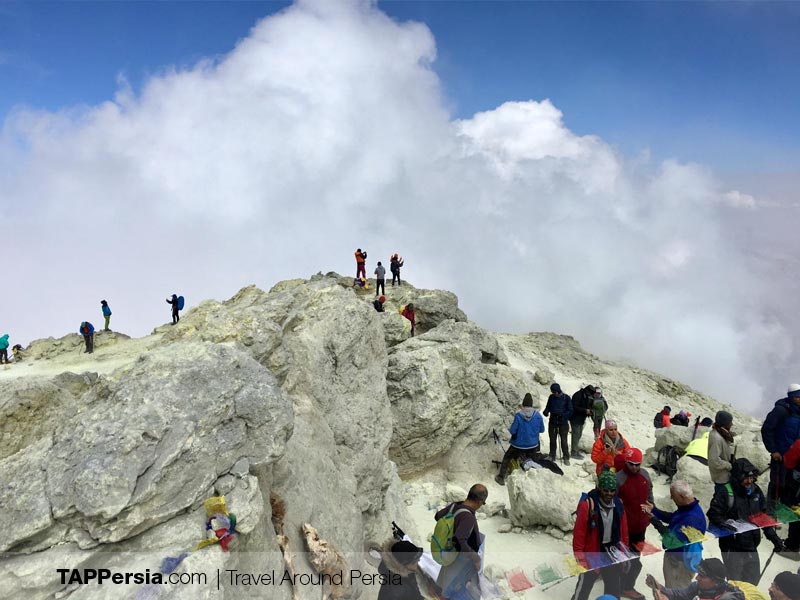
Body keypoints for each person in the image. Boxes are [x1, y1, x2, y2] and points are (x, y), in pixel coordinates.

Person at [706, 458, 783, 584]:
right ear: (737, 477)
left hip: (751, 545)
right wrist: (725, 525)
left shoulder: (755, 491)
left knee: (752, 582)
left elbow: (762, 517)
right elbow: (713, 513)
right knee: (736, 584)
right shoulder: (726, 492)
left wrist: (774, 538)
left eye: (751, 478)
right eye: (746, 478)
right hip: (732, 547)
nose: (749, 481)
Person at [571, 471, 629, 600]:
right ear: (599, 488)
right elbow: (579, 535)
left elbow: (623, 531)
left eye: (612, 490)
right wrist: (580, 558)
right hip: (592, 553)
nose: (609, 493)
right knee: (584, 587)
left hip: (612, 553)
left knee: (613, 589)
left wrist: (623, 553)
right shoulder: (587, 506)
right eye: (605, 490)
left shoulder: (619, 505)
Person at [643, 480, 707, 588]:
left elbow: (671, 541)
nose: (671, 498)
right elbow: (674, 518)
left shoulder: (691, 518)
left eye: (673, 495)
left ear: (681, 496)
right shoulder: (689, 508)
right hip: (678, 559)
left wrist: (653, 520)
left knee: (676, 592)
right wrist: (654, 511)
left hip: (679, 564)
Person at [761, 383, 800, 557]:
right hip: (780, 457)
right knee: (776, 485)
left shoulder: (797, 412)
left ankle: (783, 515)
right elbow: (767, 429)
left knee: (788, 488)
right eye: (798, 396)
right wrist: (773, 450)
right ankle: (771, 517)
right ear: (792, 397)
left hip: (794, 460)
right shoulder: (781, 410)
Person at [434, 484, 487, 600]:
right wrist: (476, 558)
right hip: (461, 560)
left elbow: (437, 516)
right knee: (452, 590)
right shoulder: (467, 517)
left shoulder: (455, 506)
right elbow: (459, 540)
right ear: (479, 501)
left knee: (445, 585)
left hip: (448, 553)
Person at [616, 448, 654, 600]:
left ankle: (625, 585)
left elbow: (650, 491)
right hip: (624, 528)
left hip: (641, 526)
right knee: (626, 559)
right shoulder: (619, 478)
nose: (634, 467)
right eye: (631, 464)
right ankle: (625, 587)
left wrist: (651, 504)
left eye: (637, 464)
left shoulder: (645, 475)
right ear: (626, 462)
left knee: (635, 558)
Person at [495, 393, 545, 485]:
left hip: (518, 445)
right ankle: (531, 477)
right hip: (533, 444)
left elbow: (512, 431)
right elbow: (542, 430)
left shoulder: (518, 416)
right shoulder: (538, 415)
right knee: (531, 458)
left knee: (507, 457)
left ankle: (501, 477)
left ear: (523, 404)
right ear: (531, 404)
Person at [645, 558, 744, 600]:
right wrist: (661, 588)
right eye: (698, 574)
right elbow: (681, 594)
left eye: (702, 576)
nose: (697, 578)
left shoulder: (727, 598)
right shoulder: (699, 587)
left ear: (716, 582)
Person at [543, 383, 572, 465]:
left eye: (555, 392)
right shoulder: (551, 397)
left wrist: (563, 415)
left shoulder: (566, 398)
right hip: (553, 421)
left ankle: (566, 457)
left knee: (564, 440)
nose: (554, 394)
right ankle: (552, 455)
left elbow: (570, 410)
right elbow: (548, 406)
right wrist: (546, 411)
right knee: (552, 440)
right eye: (553, 392)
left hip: (563, 423)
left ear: (558, 391)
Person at [708, 410, 735, 495]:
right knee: (723, 497)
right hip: (721, 477)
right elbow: (714, 460)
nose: (732, 424)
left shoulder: (722, 433)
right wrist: (728, 465)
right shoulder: (716, 438)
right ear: (725, 423)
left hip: (725, 475)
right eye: (730, 422)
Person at [570, 385, 596, 458]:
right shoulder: (578, 395)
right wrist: (585, 410)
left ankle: (575, 450)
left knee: (579, 434)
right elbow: (574, 407)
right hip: (575, 418)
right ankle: (574, 452)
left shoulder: (585, 396)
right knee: (576, 435)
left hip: (581, 418)